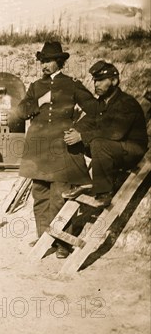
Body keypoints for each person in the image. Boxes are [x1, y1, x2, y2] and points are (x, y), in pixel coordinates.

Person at [17, 42, 97, 258]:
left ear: (59, 62)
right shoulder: (35, 86)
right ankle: (44, 238)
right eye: (42, 60)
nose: (44, 64)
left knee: (60, 196)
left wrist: (79, 132)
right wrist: (39, 102)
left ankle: (62, 243)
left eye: (48, 60)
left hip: (62, 149)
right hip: (38, 150)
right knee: (40, 195)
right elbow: (21, 111)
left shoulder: (72, 85)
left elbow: (96, 111)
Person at [62, 61, 148, 207]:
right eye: (95, 81)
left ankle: (104, 193)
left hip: (131, 150)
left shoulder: (126, 103)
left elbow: (115, 132)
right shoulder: (102, 102)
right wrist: (75, 130)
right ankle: (81, 182)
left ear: (114, 81)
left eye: (101, 80)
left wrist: (82, 136)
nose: (96, 85)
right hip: (112, 148)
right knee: (72, 138)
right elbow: (90, 120)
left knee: (98, 143)